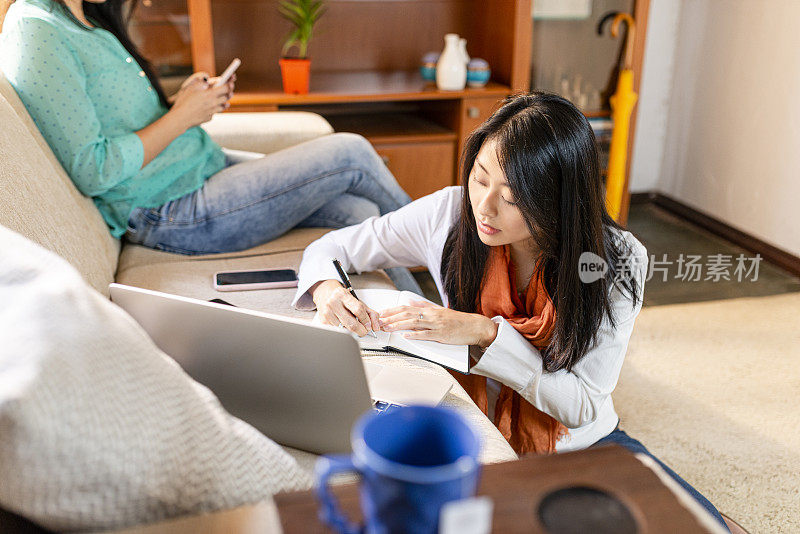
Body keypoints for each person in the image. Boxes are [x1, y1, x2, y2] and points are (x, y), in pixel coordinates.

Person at [293, 93, 729, 529]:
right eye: (480, 179)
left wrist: (488, 334)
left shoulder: (615, 261)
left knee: (700, 526)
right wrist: (327, 288)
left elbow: (580, 408)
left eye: (513, 197)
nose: (485, 206)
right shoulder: (449, 213)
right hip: (475, 436)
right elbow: (331, 247)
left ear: (558, 201)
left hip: (579, 445)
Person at [0, 0, 418, 292]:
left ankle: (431, 334)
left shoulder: (86, 18)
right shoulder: (36, 29)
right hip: (167, 208)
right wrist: (182, 116)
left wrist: (185, 103)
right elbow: (94, 169)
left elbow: (122, 119)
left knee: (360, 213)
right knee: (352, 153)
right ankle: (459, 266)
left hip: (202, 168)